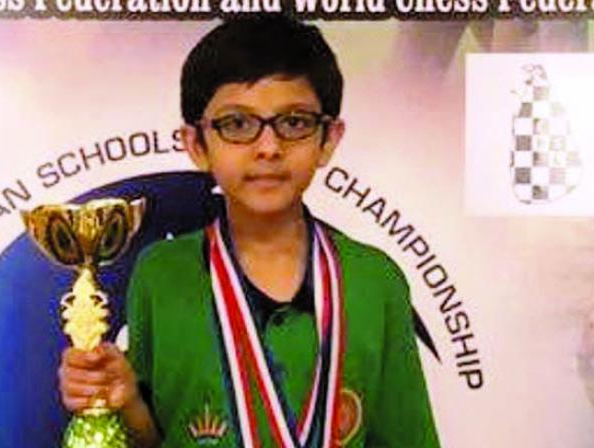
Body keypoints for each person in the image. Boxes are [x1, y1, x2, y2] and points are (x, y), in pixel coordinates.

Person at [60, 15, 440, 447]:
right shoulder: (160, 275)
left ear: (329, 139)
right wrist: (122, 400)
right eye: (237, 124)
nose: (268, 147)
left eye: (294, 122)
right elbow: (153, 439)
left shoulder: (374, 279)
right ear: (197, 145)